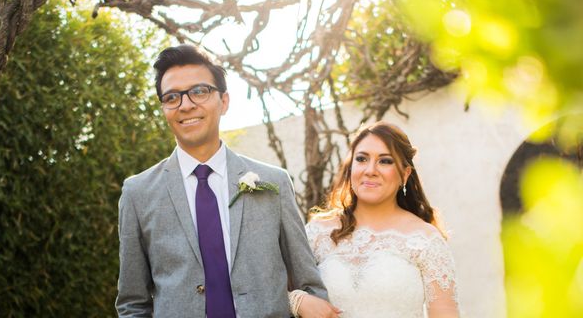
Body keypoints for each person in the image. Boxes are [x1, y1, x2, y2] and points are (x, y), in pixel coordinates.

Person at [116, 44, 332, 317]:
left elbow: (310, 285)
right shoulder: (138, 193)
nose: (186, 105)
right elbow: (132, 304)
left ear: (224, 101)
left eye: (199, 91)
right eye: (172, 97)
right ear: (164, 108)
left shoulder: (273, 182)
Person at [291, 121, 460, 318]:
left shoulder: (425, 240)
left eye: (385, 161)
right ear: (350, 167)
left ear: (405, 174)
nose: (370, 170)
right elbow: (271, 292)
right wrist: (298, 301)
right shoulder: (317, 232)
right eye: (362, 159)